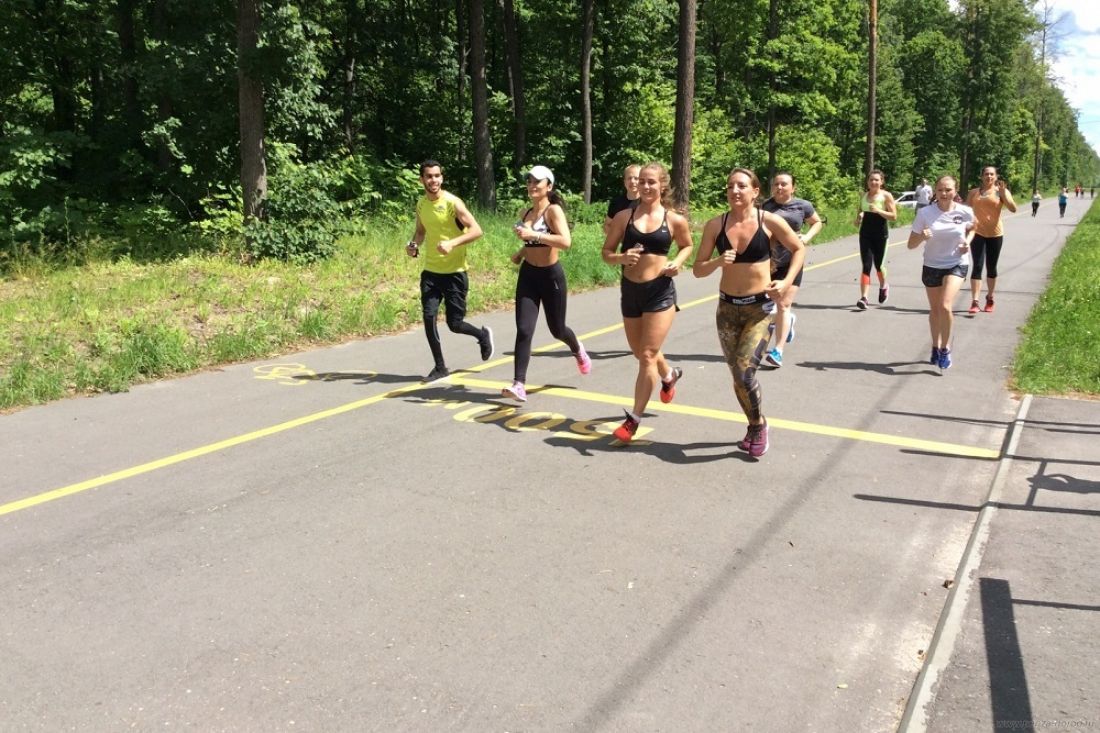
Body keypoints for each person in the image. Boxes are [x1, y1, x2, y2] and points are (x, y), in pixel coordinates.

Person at [692, 168, 805, 458]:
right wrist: (718, 261)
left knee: (744, 374)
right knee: (737, 377)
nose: (735, 191)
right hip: (727, 309)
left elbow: (798, 249)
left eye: (741, 186)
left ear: (755, 192)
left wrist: (786, 281)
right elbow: (697, 270)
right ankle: (753, 423)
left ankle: (758, 424)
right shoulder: (716, 225)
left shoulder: (769, 221)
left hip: (760, 308)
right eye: (730, 186)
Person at [601, 162, 694, 443]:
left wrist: (677, 263)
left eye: (651, 181)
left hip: (660, 292)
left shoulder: (674, 219)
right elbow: (606, 252)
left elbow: (687, 245)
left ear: (662, 185)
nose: (645, 186)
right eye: (642, 181)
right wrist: (620, 258)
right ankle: (669, 376)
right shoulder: (623, 217)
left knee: (647, 355)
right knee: (639, 351)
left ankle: (633, 420)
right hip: (630, 291)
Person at [502, 165, 590, 402]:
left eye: (537, 182)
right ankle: (518, 384)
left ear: (549, 187)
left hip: (551, 277)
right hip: (529, 276)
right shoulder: (525, 212)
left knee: (557, 329)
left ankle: (577, 349)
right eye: (529, 181)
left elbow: (565, 242)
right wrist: (521, 251)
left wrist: (534, 235)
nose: (532, 185)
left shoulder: (553, 212)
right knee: (524, 329)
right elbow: (530, 241)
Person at [406, 159, 495, 382]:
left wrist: (452, 243)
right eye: (429, 176)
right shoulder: (421, 204)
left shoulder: (453, 203)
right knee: (428, 317)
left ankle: (482, 335)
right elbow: (420, 232)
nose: (433, 180)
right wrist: (414, 245)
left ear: (442, 178)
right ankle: (440, 367)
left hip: (455, 272)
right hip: (431, 272)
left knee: (455, 324)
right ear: (422, 180)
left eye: (437, 176)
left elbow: (477, 230)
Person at [907, 175, 976, 371]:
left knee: (945, 306)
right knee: (935, 310)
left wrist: (967, 241)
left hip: (956, 263)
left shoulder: (965, 211)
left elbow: (973, 228)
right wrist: (922, 236)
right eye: (940, 190)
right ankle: (935, 346)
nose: (944, 194)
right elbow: (911, 245)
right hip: (931, 265)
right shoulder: (925, 213)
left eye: (948, 190)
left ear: (955, 191)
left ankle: (945, 349)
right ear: (935, 192)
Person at [760, 171, 823, 368]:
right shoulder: (766, 206)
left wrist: (807, 237)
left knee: (783, 304)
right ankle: (787, 323)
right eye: (776, 184)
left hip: (792, 260)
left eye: (784, 184)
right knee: (766, 305)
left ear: (793, 188)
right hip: (769, 261)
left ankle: (777, 351)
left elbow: (817, 222)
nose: (779, 187)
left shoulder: (802, 206)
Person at [965, 166, 1017, 314]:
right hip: (978, 233)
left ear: (996, 176)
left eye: (991, 174)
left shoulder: (1002, 191)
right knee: (977, 266)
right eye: (986, 174)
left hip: (995, 234)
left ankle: (990, 297)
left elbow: (1013, 209)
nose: (989, 177)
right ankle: (975, 301)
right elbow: (965, 211)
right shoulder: (974, 192)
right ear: (981, 176)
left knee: (991, 267)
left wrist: (1004, 196)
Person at [853, 169, 898, 309]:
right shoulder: (863, 195)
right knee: (866, 266)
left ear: (881, 182)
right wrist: (859, 217)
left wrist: (879, 211)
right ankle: (864, 298)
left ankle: (884, 285)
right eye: (871, 179)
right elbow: (860, 209)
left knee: (878, 265)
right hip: (865, 233)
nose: (874, 182)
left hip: (881, 235)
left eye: (877, 180)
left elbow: (894, 216)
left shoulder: (886, 196)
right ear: (868, 182)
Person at [603, 164, 641, 236]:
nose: (632, 181)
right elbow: (607, 225)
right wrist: (619, 239)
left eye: (636, 178)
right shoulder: (616, 203)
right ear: (624, 182)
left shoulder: (647, 203)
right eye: (629, 178)